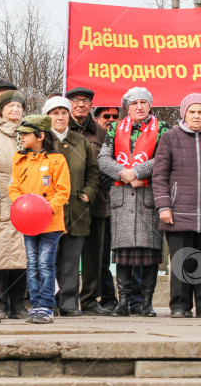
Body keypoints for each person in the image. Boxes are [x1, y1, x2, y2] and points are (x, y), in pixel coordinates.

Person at [152, 93, 201, 318]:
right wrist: (164, 206)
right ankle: (180, 306)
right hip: (178, 212)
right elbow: (159, 175)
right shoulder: (170, 137)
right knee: (182, 261)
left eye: (200, 112)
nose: (196, 116)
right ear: (184, 114)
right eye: (192, 112)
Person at [97, 87, 169, 317]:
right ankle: (123, 303)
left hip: (148, 196)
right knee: (123, 254)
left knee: (150, 254)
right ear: (126, 107)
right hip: (122, 198)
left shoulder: (163, 128)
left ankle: (146, 303)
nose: (139, 107)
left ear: (150, 106)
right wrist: (124, 173)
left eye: (143, 102)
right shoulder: (116, 128)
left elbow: (163, 158)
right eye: (134, 103)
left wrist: (137, 171)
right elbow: (103, 159)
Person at [8, 115, 70, 324]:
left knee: (45, 264)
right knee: (32, 264)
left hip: (50, 222)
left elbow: (63, 191)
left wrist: (45, 210)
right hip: (27, 223)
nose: (22, 137)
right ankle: (35, 306)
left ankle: (47, 306)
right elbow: (13, 188)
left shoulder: (57, 160)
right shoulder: (19, 159)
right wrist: (23, 207)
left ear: (40, 136)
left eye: (25, 134)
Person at [44, 96, 99, 317]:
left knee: (71, 258)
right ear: (47, 116)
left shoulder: (80, 141)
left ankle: (68, 303)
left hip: (76, 209)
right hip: (48, 210)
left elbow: (93, 172)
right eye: (55, 112)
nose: (60, 117)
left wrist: (87, 193)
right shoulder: (42, 140)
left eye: (63, 112)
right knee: (48, 258)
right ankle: (48, 300)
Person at [67, 88, 112, 316]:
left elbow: (108, 162)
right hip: (67, 203)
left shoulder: (102, 133)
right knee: (67, 253)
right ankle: (66, 298)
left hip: (96, 202)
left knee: (94, 254)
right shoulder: (61, 130)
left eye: (85, 101)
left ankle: (90, 300)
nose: (81, 104)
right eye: (76, 100)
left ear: (92, 105)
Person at [0, 90, 28, 319]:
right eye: (10, 105)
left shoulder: (30, 133)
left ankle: (18, 304)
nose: (15, 109)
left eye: (19, 106)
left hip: (27, 203)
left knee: (22, 256)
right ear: (0, 110)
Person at [93, 105, 119, 311]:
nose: (111, 119)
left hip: (119, 203)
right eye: (106, 116)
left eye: (115, 116)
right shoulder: (95, 138)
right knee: (99, 255)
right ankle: (102, 296)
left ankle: (116, 298)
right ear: (97, 118)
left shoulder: (121, 138)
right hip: (97, 203)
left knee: (125, 255)